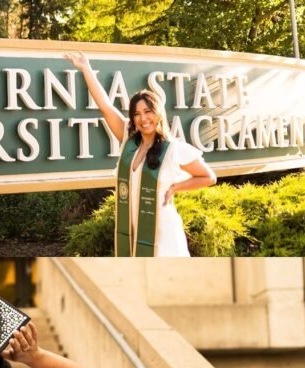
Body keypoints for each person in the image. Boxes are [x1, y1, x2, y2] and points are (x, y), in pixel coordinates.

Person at [64, 52, 216, 257]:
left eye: (147, 112)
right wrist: (86, 69)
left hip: (164, 233)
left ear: (158, 113)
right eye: (136, 114)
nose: (143, 118)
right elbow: (105, 106)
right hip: (133, 228)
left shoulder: (173, 149)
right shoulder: (129, 142)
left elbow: (208, 177)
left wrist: (176, 188)